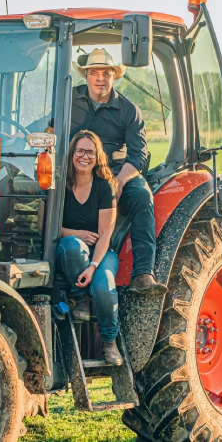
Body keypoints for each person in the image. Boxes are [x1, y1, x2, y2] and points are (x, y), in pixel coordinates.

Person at [70, 49, 167, 296]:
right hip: (78, 166)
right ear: (86, 76)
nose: (100, 78)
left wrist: (119, 180)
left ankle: (143, 274)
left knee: (142, 196)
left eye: (105, 73)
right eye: (94, 73)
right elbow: (45, 125)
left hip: (115, 169)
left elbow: (139, 155)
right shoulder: (69, 101)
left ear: (114, 76)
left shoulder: (128, 110)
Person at [57, 130, 122, 366]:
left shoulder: (104, 188)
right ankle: (80, 297)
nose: (84, 157)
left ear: (98, 157)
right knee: (72, 245)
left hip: (102, 253)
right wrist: (77, 234)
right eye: (80, 151)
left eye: (90, 152)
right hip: (70, 252)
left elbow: (106, 233)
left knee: (105, 287)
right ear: (72, 153)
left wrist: (94, 267)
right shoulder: (61, 184)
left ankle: (109, 340)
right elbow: (48, 226)